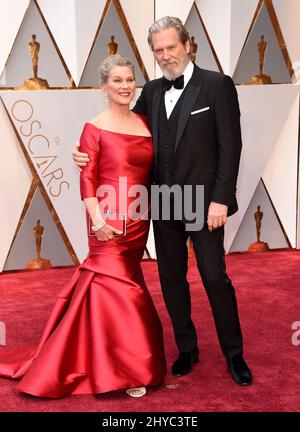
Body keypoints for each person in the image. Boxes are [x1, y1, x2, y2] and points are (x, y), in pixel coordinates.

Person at [73, 16, 253, 387]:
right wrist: (84, 153)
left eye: (172, 47)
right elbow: (126, 135)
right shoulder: (152, 91)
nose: (166, 55)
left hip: (204, 203)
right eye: (159, 51)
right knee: (171, 279)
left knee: (214, 277)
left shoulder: (217, 85)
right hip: (163, 201)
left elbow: (230, 147)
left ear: (187, 45)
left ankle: (234, 355)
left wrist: (221, 199)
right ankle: (187, 348)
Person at [0, 54, 166, 399]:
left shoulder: (147, 122)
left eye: (129, 79)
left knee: (119, 286)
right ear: (104, 86)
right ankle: (130, 368)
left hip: (138, 219)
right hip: (106, 220)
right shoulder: (94, 127)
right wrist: (98, 219)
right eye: (117, 80)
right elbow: (87, 179)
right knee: (125, 291)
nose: (125, 86)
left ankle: (98, 356)